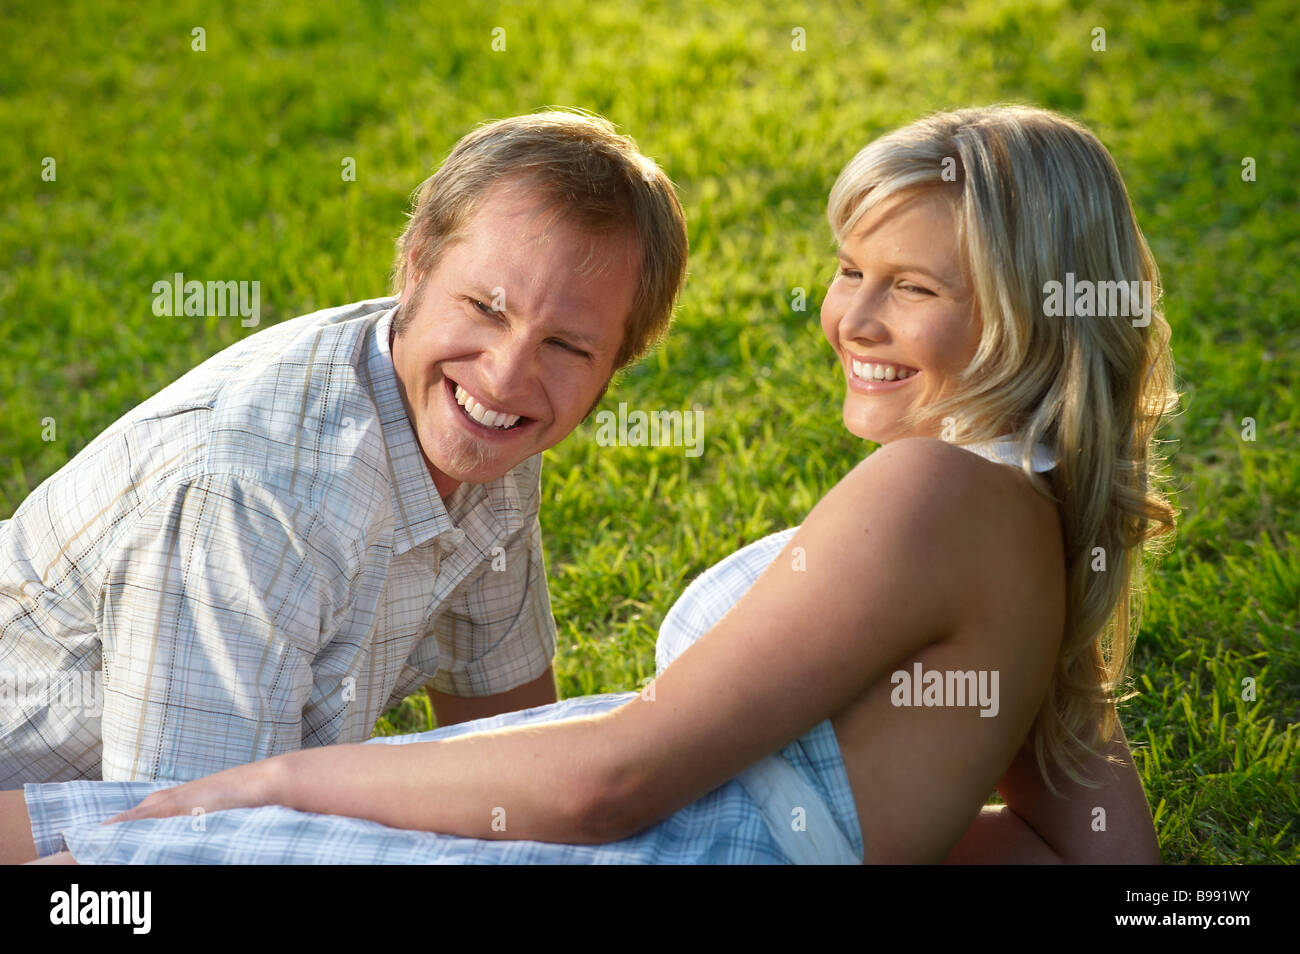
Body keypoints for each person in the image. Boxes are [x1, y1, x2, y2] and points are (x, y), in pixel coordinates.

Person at [12, 104, 1175, 864]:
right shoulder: (1031, 519)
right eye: (848, 269)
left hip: (625, 833)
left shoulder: (929, 494)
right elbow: (1081, 841)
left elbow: (606, 781)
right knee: (93, 842)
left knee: (92, 859)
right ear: (414, 267)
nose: (851, 318)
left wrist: (280, 784)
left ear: (1027, 310)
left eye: (909, 287)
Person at [0, 111, 689, 788]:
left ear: (612, 366)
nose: (506, 376)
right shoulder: (255, 499)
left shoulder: (482, 425)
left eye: (566, 345)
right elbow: (192, 842)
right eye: (485, 307)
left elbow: (511, 739)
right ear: (415, 266)